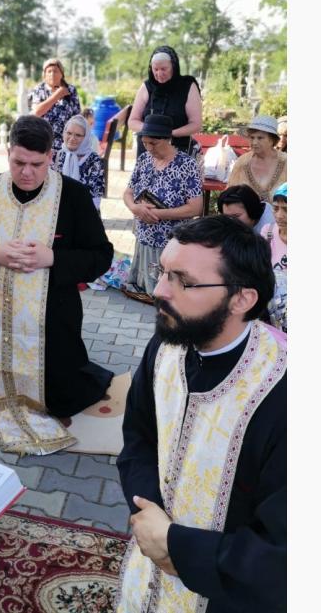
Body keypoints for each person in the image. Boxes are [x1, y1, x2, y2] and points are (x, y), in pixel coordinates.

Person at [117, 215, 286, 612]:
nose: (159, 291)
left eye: (183, 281)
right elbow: (139, 436)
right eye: (163, 272)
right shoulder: (168, 345)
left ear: (242, 299)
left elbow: (280, 552)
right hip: (149, 556)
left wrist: (177, 545)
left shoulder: (282, 390)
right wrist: (147, 512)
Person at [0, 116, 114, 454]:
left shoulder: (73, 195)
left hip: (54, 326)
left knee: (60, 399)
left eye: (37, 164)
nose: (26, 172)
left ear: (51, 156)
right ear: (8, 153)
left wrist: (52, 258)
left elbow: (101, 256)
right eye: (18, 162)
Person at [124, 114, 204, 300]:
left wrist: (158, 214)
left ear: (168, 139)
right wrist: (135, 208)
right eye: (145, 143)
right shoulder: (144, 160)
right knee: (143, 288)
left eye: (153, 143)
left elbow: (195, 208)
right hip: (144, 235)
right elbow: (128, 192)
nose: (149, 148)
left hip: (170, 239)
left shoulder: (187, 165)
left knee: (165, 293)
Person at [127, 46, 203, 154]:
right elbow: (132, 122)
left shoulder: (188, 86)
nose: (159, 74)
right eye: (155, 69)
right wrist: (153, 130)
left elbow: (196, 124)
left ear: (173, 66)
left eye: (163, 69)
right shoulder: (146, 87)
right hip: (147, 151)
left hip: (178, 150)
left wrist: (169, 133)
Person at [28, 57, 82, 152]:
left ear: (62, 74)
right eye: (49, 71)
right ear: (44, 75)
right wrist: (57, 95)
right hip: (43, 140)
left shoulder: (70, 90)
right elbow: (37, 112)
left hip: (67, 141)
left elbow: (77, 116)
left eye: (56, 71)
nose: (52, 74)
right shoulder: (39, 90)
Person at [53, 115, 106, 209]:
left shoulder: (94, 161)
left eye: (78, 135)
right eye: (69, 133)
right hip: (58, 210)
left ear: (86, 137)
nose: (72, 138)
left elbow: (95, 199)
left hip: (85, 211)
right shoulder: (58, 155)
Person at [260, 183, 287, 331]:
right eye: (276, 208)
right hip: (271, 314)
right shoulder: (268, 232)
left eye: (286, 210)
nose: (279, 215)